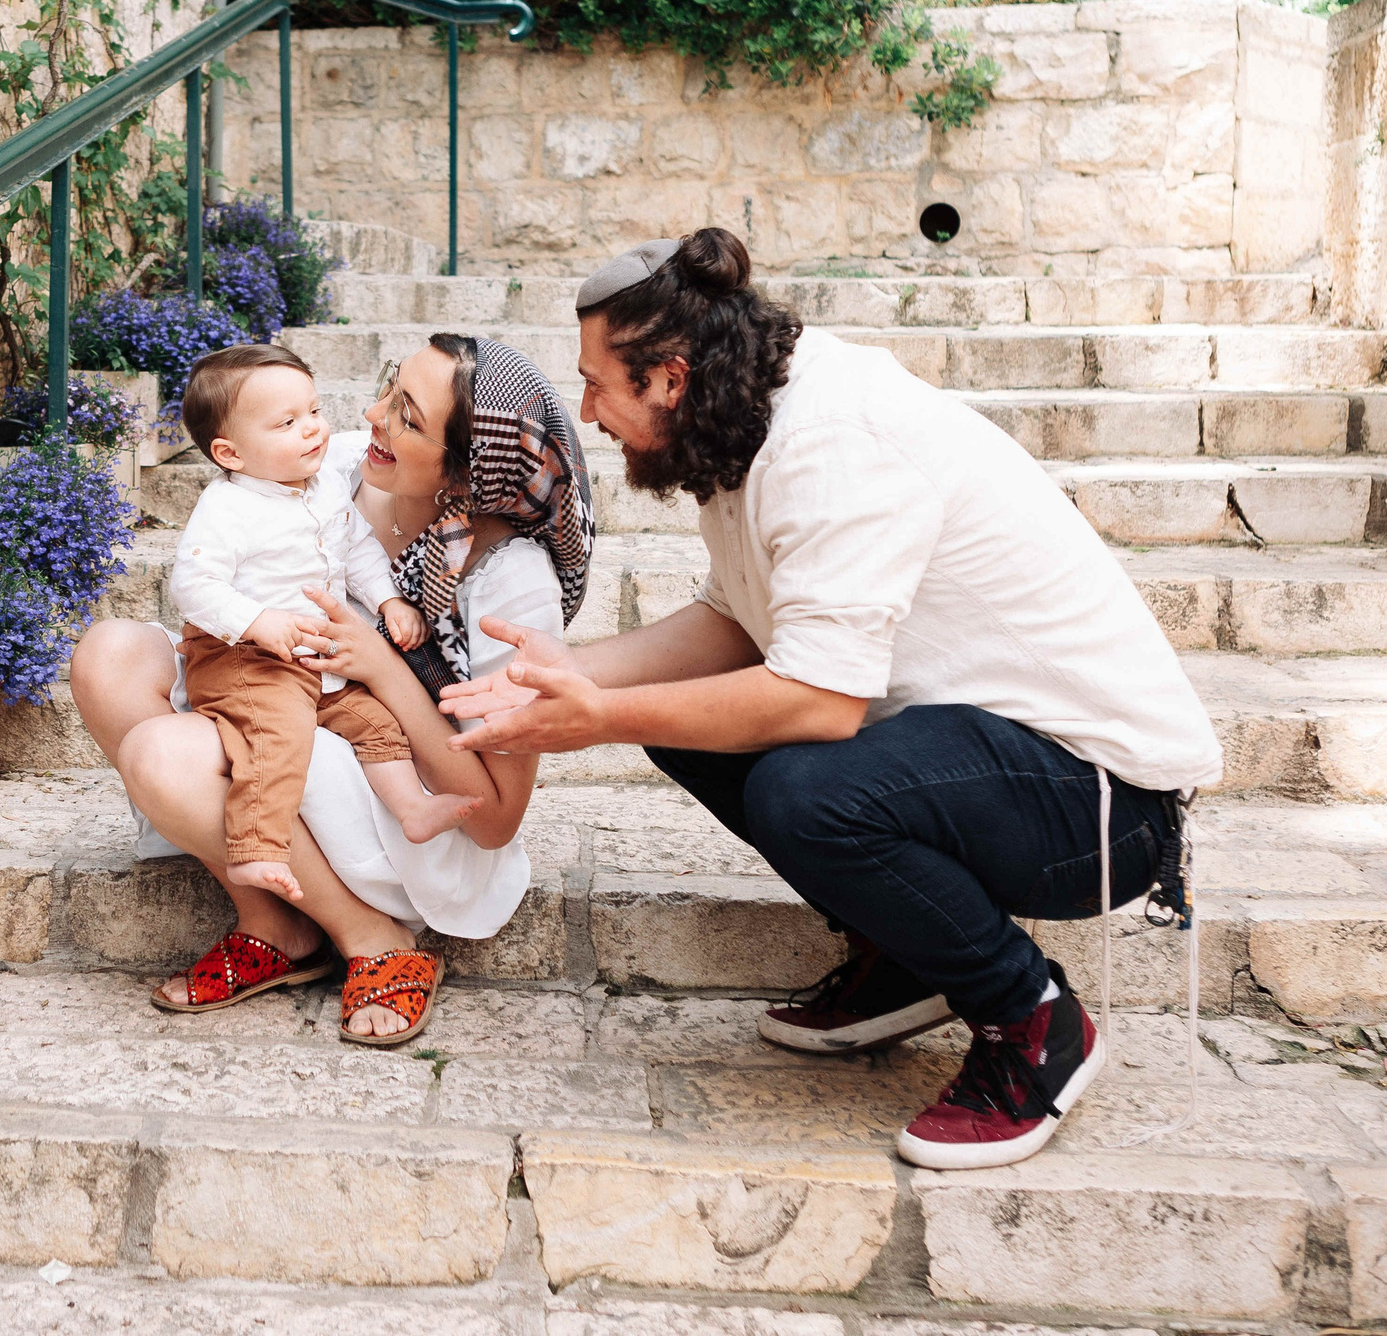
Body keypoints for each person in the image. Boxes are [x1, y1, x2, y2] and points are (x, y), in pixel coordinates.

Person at [441, 229, 1220, 1169]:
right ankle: (905, 956)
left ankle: (1033, 1021)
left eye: (600, 384)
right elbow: (734, 623)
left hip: (1099, 805)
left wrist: (598, 718)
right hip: (986, 760)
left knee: (802, 792)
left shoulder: (829, 443)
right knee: (689, 722)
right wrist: (566, 670)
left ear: (671, 377)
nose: (589, 410)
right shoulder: (743, 421)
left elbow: (817, 701)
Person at [67, 335, 595, 1047]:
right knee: (108, 655)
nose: (373, 416)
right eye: (387, 387)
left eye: (407, 417)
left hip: (394, 783)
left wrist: (381, 664)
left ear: (467, 471)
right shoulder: (343, 462)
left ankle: (371, 934)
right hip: (294, 689)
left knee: (163, 755)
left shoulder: (509, 576)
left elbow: (495, 818)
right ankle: (273, 921)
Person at [168, 343, 478, 910]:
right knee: (279, 734)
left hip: (316, 661)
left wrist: (387, 602)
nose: (312, 429)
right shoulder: (228, 509)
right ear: (229, 453)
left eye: (314, 411)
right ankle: (256, 846)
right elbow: (192, 586)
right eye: (287, 423)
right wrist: (258, 621)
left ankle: (411, 807)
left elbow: (356, 548)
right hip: (247, 660)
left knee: (378, 721)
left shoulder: (327, 486)